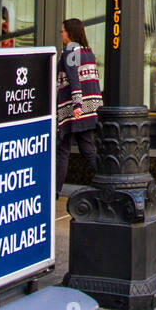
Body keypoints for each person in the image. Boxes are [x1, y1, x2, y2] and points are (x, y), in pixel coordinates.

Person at [56, 18, 102, 194]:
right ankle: (109, 179)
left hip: (74, 108)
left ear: (71, 33)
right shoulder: (87, 52)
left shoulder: (70, 50)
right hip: (90, 106)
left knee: (62, 150)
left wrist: (76, 104)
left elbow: (74, 77)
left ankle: (55, 191)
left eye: (63, 31)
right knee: (88, 149)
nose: (61, 34)